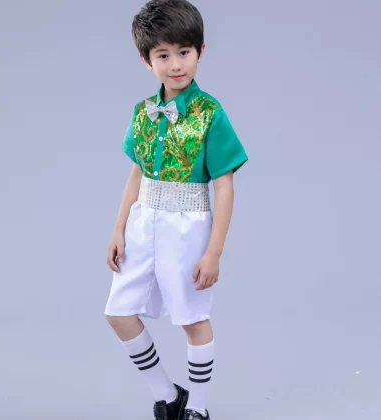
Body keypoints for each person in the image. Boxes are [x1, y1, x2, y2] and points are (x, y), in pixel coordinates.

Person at [104, 0, 248, 418]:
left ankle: (197, 409)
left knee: (191, 316)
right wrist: (118, 229)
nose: (175, 64)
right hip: (142, 221)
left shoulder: (210, 114)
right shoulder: (142, 113)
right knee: (118, 312)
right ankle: (167, 395)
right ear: (146, 60)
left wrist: (214, 251)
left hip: (186, 228)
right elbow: (136, 173)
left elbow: (224, 187)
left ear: (200, 51)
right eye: (163, 55)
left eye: (184, 52)